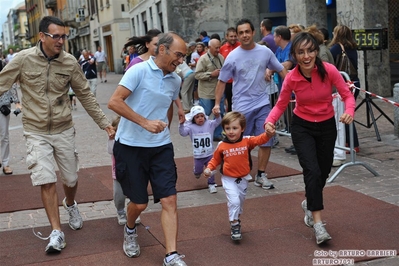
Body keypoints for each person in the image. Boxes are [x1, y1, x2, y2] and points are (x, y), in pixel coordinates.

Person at [0, 16, 115, 253]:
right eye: (56, 36)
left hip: (63, 129)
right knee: (45, 178)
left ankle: (70, 203)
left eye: (64, 36)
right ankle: (57, 231)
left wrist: (104, 124)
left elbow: (85, 95)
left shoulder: (69, 62)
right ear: (42, 36)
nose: (61, 41)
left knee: (70, 179)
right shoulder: (23, 59)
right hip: (35, 130)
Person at [264, 32, 355, 245]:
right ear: (294, 55)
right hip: (302, 127)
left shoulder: (329, 71)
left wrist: (349, 110)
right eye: (300, 52)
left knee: (322, 172)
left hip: (326, 126)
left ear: (316, 51)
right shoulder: (292, 78)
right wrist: (270, 121)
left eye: (310, 51)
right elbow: (280, 104)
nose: (306, 56)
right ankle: (318, 223)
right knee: (312, 171)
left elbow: (347, 95)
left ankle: (309, 202)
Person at [107, 32, 187, 266]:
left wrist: (165, 130)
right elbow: (114, 101)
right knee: (139, 203)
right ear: (162, 50)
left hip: (161, 148)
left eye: (184, 57)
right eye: (179, 55)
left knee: (169, 200)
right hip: (130, 147)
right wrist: (145, 122)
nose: (181, 61)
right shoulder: (138, 70)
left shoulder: (175, 79)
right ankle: (130, 229)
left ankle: (171, 255)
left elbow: (168, 106)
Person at [213, 18, 287, 190]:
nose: (245, 35)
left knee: (266, 139)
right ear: (237, 35)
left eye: (247, 31)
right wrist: (217, 103)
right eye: (241, 33)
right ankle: (235, 172)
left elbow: (281, 69)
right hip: (241, 107)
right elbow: (222, 81)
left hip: (262, 103)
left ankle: (261, 174)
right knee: (238, 144)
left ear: (253, 32)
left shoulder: (265, 52)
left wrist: (296, 87)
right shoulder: (232, 57)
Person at [204, 111, 273, 241]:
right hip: (228, 179)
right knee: (234, 201)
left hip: (243, 178)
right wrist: (209, 168)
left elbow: (260, 139)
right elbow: (215, 160)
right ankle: (234, 224)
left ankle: (236, 218)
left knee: (239, 202)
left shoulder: (247, 141)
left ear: (242, 129)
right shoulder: (222, 145)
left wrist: (268, 134)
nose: (231, 131)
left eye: (234, 128)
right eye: (227, 128)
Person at [329, 24, 360, 160]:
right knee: (349, 112)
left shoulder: (335, 48)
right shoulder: (353, 48)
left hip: (343, 84)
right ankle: (353, 143)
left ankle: (351, 143)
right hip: (354, 83)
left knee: (344, 115)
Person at [179, 105, 221, 193]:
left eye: (202, 116)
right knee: (198, 170)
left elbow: (218, 121)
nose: (200, 118)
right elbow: (182, 133)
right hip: (198, 155)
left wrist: (217, 115)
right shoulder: (191, 127)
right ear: (193, 118)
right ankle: (196, 172)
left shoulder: (209, 124)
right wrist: (181, 124)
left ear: (205, 116)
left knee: (211, 169)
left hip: (209, 154)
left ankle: (211, 184)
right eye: (197, 117)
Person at [107, 115, 141, 225]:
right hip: (118, 174)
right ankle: (120, 211)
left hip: (133, 173)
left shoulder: (134, 140)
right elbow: (111, 151)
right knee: (119, 196)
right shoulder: (114, 142)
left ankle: (133, 212)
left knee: (135, 195)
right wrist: (112, 138)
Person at [195, 38, 225, 141]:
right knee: (204, 114)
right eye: (216, 48)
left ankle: (217, 134)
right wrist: (211, 74)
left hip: (218, 92)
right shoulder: (203, 59)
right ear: (209, 48)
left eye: (219, 47)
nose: (218, 50)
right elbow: (197, 75)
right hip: (206, 93)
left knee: (219, 113)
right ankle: (201, 133)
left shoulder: (221, 57)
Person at [0, 60, 22, 175]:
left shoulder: (4, 66)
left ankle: (5, 163)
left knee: (4, 135)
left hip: (2, 107)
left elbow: (11, 83)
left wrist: (17, 102)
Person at [219, 27, 241, 113]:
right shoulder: (222, 48)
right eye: (231, 36)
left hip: (239, 79)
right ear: (226, 36)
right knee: (229, 100)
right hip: (227, 81)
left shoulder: (241, 46)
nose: (233, 38)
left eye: (235, 36)